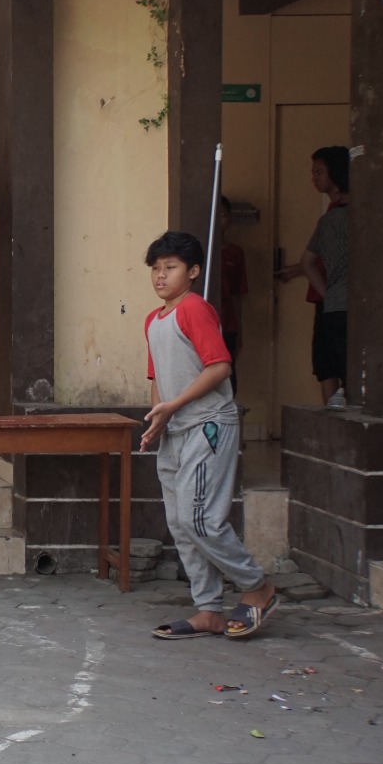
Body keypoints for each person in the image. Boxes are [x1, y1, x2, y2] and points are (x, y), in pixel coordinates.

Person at [140, 231, 276, 641]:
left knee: (201, 519)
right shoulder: (153, 319)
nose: (161, 276)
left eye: (171, 268)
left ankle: (258, 588)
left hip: (209, 424)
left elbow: (220, 367)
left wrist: (174, 405)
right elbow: (156, 379)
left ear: (193, 271)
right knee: (180, 523)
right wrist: (158, 418)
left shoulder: (195, 309)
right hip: (175, 429)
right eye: (156, 269)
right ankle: (209, 610)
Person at [276, 146, 349, 407]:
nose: (314, 178)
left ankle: (333, 421)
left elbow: (311, 260)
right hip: (333, 299)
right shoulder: (337, 214)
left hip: (333, 302)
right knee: (331, 363)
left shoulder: (333, 217)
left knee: (330, 364)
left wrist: (328, 292)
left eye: (319, 172)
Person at [216, 196, 248, 395]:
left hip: (227, 323)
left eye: (224, 215)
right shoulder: (198, 253)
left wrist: (239, 331)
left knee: (228, 378)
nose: (220, 220)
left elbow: (238, 294)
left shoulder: (235, 253)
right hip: (204, 324)